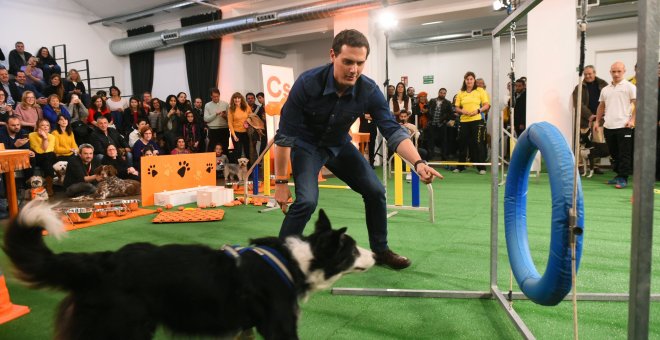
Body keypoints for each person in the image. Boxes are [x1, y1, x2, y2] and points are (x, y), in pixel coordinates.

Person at [274, 29, 442, 270]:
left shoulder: (369, 90)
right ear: (333, 55)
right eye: (348, 62)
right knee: (307, 201)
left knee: (375, 191)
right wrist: (280, 183)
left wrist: (418, 163)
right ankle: (279, 258)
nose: (354, 69)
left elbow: (392, 130)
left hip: (339, 145)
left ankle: (381, 251)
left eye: (360, 63)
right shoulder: (307, 83)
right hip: (307, 145)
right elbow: (284, 137)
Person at [594, 61, 636, 189]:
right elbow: (601, 106)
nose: (616, 74)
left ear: (624, 71)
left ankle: (623, 178)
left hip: (624, 126)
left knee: (624, 154)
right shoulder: (605, 89)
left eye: (619, 71)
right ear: (610, 72)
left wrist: (633, 120)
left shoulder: (630, 87)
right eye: (614, 71)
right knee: (614, 153)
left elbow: (638, 105)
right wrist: (597, 121)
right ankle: (618, 175)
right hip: (609, 127)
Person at [453, 71, 490, 174]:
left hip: (477, 120)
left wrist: (478, 111)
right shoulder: (461, 92)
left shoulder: (480, 91)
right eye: (467, 79)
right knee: (462, 143)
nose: (469, 81)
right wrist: (462, 111)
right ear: (465, 81)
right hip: (464, 121)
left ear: (474, 80)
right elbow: (456, 108)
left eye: (471, 79)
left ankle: (481, 168)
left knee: (478, 144)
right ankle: (460, 167)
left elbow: (486, 105)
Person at [28, 119, 57, 195]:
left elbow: (46, 150)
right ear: (38, 127)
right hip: (37, 156)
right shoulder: (31, 135)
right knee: (46, 157)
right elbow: (39, 150)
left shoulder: (52, 137)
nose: (45, 127)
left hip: (48, 156)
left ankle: (49, 187)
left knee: (48, 156)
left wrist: (45, 138)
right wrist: (44, 138)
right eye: (43, 125)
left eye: (47, 125)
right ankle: (33, 187)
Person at [425, 88, 454, 161]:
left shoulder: (448, 103)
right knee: (430, 141)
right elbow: (427, 110)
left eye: (444, 93)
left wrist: (445, 121)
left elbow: (451, 114)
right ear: (438, 93)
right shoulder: (432, 101)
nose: (442, 94)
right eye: (441, 92)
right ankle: (430, 157)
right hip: (432, 124)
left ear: (445, 94)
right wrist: (429, 119)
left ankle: (444, 157)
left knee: (443, 141)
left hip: (442, 124)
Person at [204, 88, 230, 157]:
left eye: (217, 96)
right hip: (213, 130)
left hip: (224, 129)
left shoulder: (226, 104)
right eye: (214, 96)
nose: (216, 98)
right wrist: (215, 114)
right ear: (211, 96)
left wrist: (224, 116)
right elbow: (206, 119)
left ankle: (224, 165)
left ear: (219, 95)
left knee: (224, 148)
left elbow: (230, 120)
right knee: (212, 149)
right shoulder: (207, 105)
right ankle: (212, 165)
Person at [228, 92, 252, 162]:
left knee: (248, 152)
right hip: (236, 133)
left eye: (238, 98)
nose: (237, 100)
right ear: (233, 99)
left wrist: (248, 121)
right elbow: (230, 123)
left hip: (246, 133)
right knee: (237, 153)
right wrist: (234, 135)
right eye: (235, 98)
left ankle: (249, 171)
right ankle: (238, 172)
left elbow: (252, 117)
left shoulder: (247, 107)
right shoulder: (231, 109)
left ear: (241, 99)